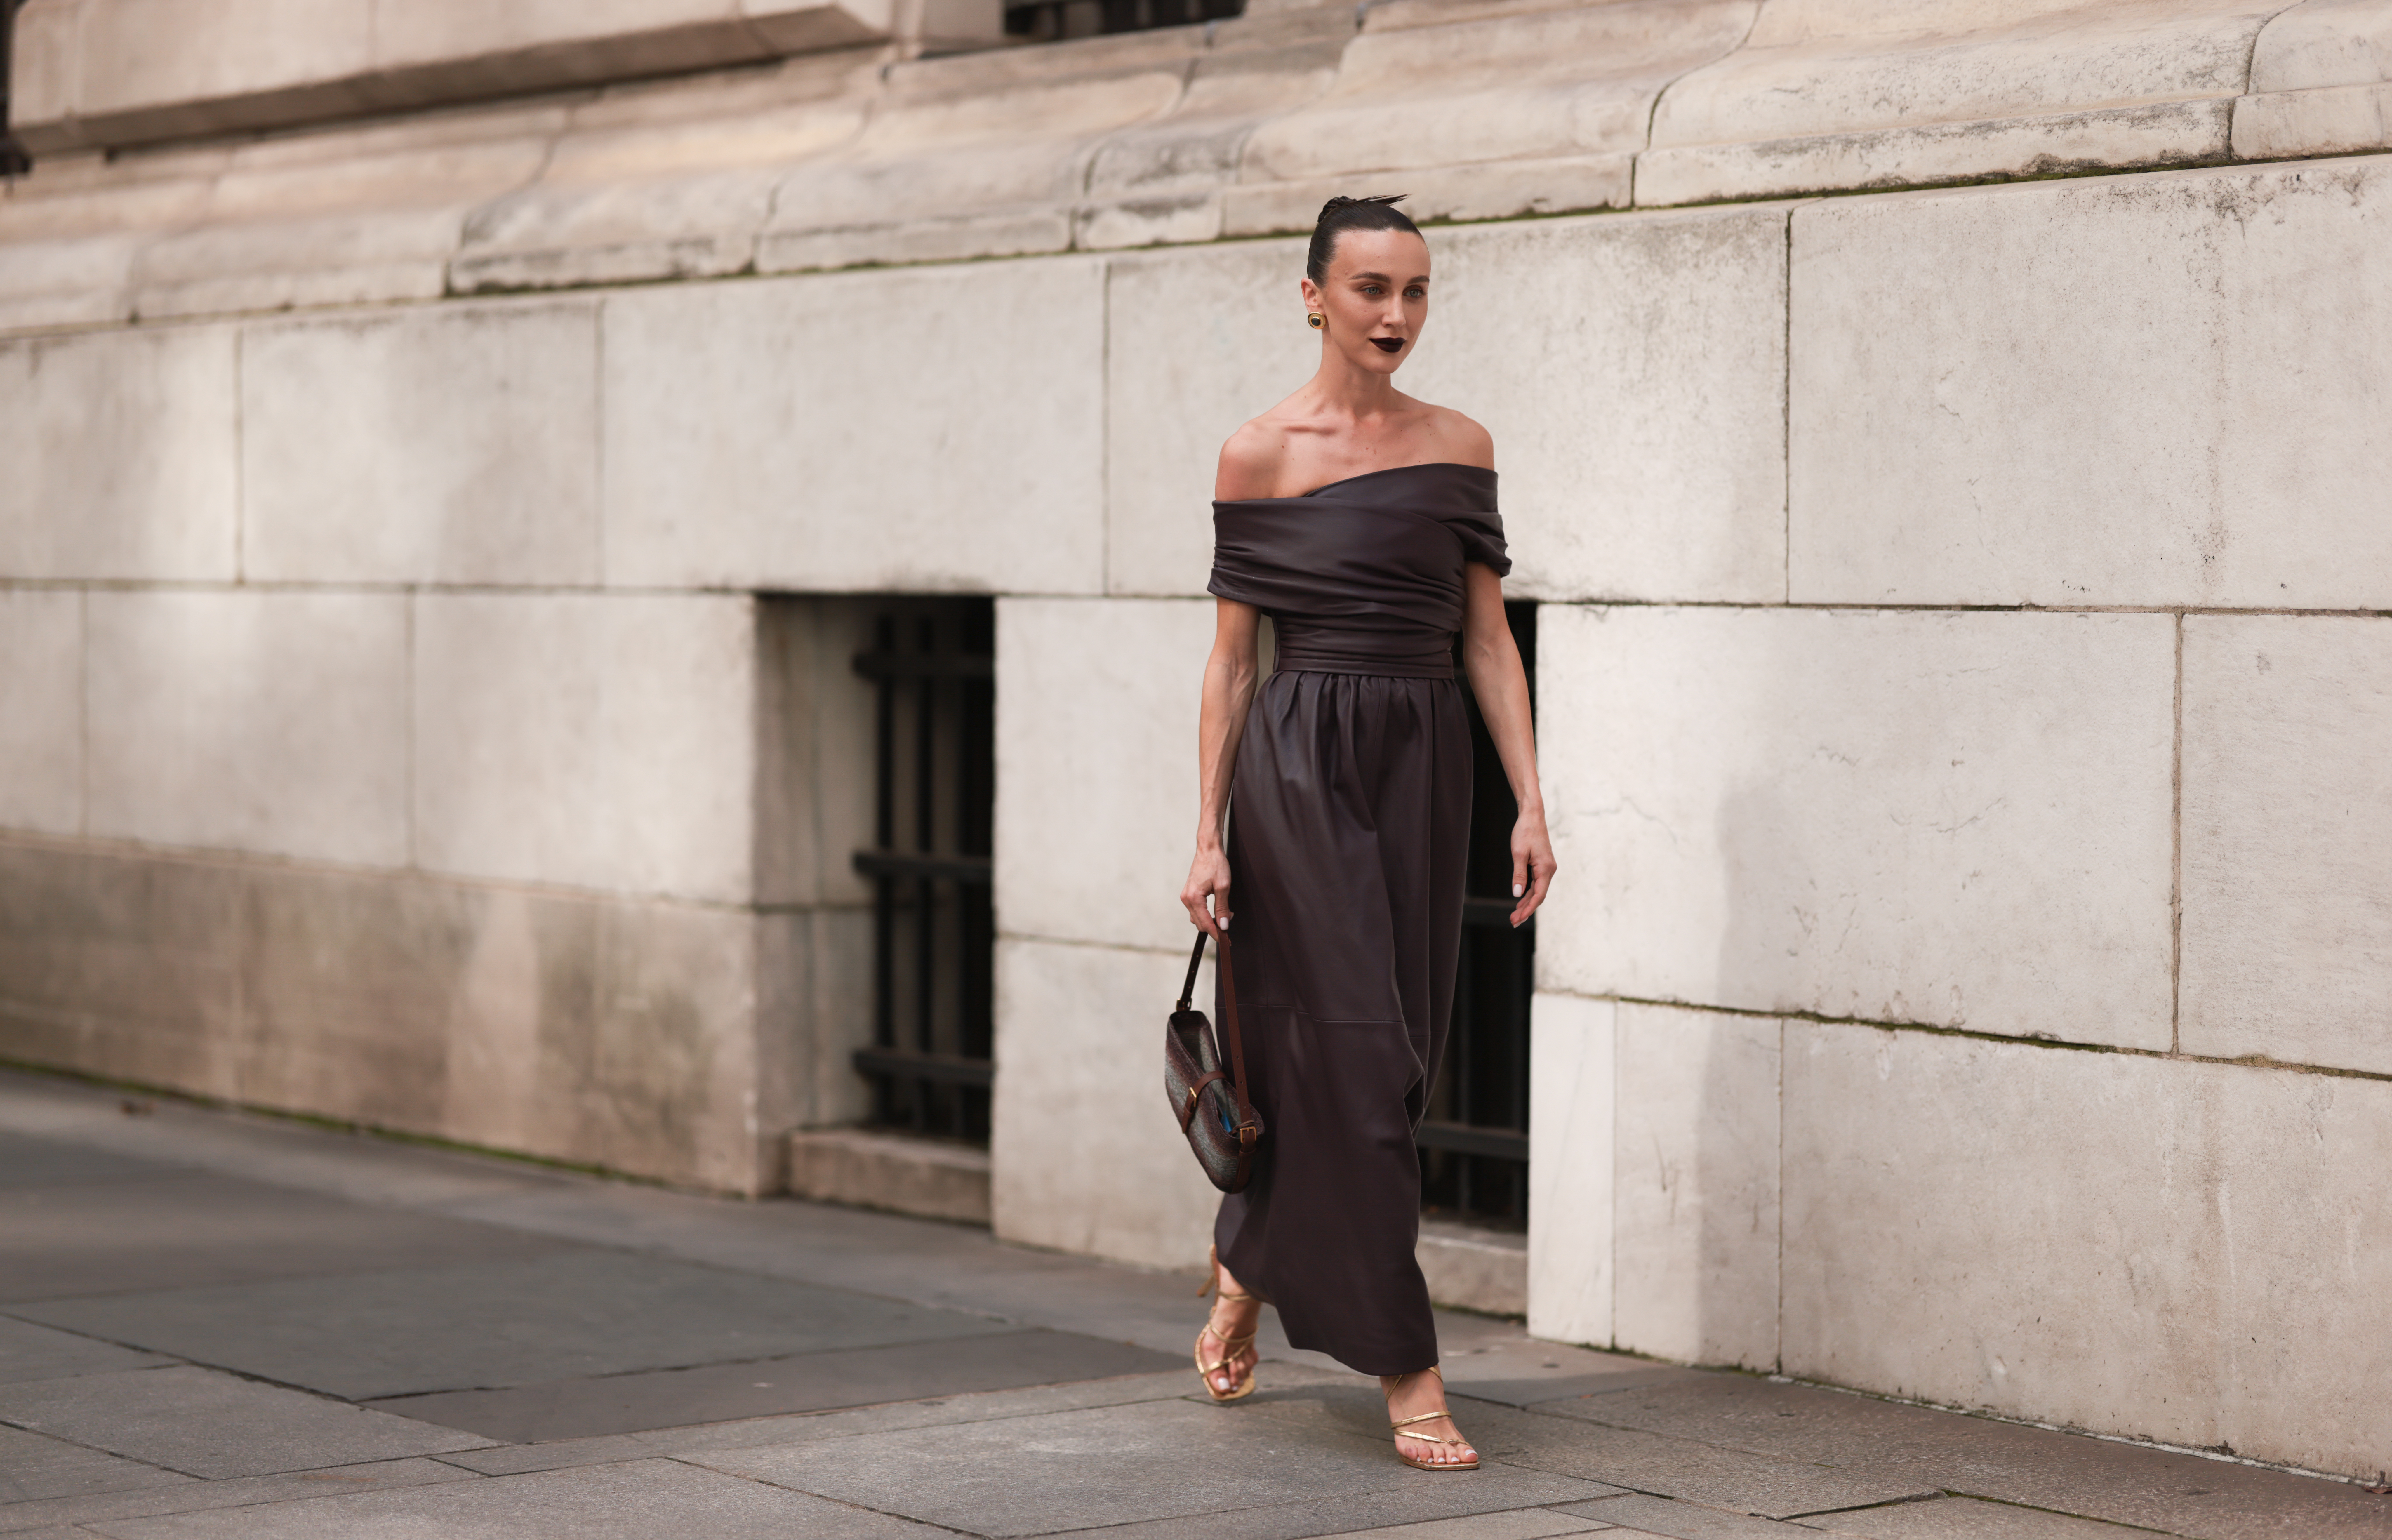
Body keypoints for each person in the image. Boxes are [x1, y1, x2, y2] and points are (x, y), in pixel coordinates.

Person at [1177, 194, 1555, 1472]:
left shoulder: (1461, 445)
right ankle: (1409, 1369)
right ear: (1313, 297)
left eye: (1416, 290)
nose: (1397, 314)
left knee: (1394, 1065)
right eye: (1371, 289)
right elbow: (1234, 663)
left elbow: (1486, 640)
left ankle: (1246, 1257)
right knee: (1353, 1048)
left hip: (1424, 763)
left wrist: (1529, 800)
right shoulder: (1258, 452)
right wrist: (1207, 832)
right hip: (1298, 768)